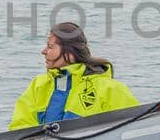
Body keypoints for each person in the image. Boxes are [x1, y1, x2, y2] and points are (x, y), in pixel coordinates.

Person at [9, 21, 139, 130]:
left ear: (70, 53)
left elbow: (132, 130)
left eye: (50, 46)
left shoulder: (110, 89)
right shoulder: (38, 86)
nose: (43, 51)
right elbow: (19, 128)